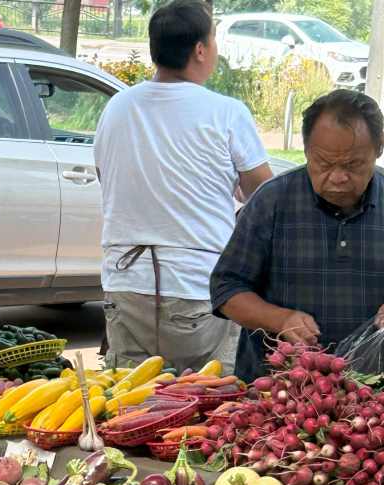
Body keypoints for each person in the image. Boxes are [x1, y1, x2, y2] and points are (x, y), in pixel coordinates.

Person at [93, 0, 272, 371]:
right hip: (195, 288)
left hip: (125, 286)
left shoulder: (117, 107)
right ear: (201, 50)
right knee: (203, 412)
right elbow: (264, 194)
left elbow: (109, 177)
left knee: (129, 411)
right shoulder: (225, 112)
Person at [211, 89, 384, 382]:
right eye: (325, 164)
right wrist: (280, 319)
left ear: (378, 149)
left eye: (354, 165)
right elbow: (225, 289)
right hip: (275, 391)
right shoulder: (272, 200)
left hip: (371, 398)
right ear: (306, 151)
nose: (338, 177)